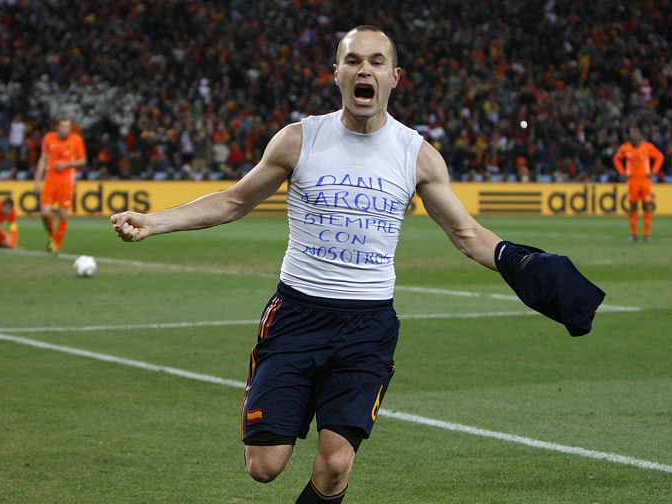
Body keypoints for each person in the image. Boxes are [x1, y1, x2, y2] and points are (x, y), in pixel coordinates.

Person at [111, 26, 603, 503]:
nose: (363, 69)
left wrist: (521, 263)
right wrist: (155, 222)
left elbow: (467, 235)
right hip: (296, 315)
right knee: (265, 466)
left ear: (395, 77)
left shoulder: (417, 156)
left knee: (335, 465)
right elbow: (234, 202)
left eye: (375, 61)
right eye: (353, 60)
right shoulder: (299, 140)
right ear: (336, 74)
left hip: (367, 326)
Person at [34, 117, 85, 253]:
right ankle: (51, 236)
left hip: (66, 182)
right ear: (57, 127)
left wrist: (67, 165)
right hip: (50, 181)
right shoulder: (48, 138)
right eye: (63, 126)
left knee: (63, 214)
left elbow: (82, 161)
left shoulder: (76, 140)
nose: (65, 129)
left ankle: (56, 244)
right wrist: (37, 181)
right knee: (45, 213)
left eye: (68, 127)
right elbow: (42, 159)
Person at [612, 128, 664, 242]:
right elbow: (616, 159)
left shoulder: (647, 147)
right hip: (632, 181)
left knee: (647, 206)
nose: (633, 137)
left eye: (635, 135)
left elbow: (660, 157)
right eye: (631, 135)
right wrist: (622, 172)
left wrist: (654, 170)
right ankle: (634, 234)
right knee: (633, 207)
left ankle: (646, 234)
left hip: (645, 180)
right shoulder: (625, 148)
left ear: (639, 136)